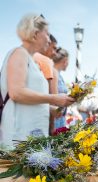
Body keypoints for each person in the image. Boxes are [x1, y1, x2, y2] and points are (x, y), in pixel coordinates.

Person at [0, 13, 75, 151]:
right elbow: (16, 93)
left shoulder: (31, 59)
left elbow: (27, 99)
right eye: (47, 33)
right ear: (35, 34)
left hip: (30, 137)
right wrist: (54, 99)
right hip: (19, 135)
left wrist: (51, 109)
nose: (49, 39)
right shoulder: (19, 53)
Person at [52, 47, 69, 130]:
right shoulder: (54, 73)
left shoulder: (59, 75)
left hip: (60, 116)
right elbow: (54, 99)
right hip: (55, 118)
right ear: (65, 60)